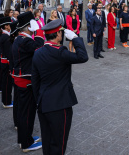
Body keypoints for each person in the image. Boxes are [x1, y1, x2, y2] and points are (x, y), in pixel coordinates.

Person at [32, 19, 89, 155]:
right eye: (61, 33)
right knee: (59, 143)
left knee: (47, 141)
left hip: (43, 104)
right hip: (60, 105)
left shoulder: (38, 52)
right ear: (58, 34)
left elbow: (35, 81)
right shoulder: (60, 52)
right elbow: (83, 57)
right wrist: (75, 38)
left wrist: (38, 100)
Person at [11, 12, 45, 152]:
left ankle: (24, 139)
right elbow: (39, 45)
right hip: (26, 81)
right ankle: (26, 143)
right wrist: (37, 31)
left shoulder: (21, 39)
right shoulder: (25, 40)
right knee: (27, 113)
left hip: (21, 80)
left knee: (23, 112)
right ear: (28, 26)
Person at [0, 17, 14, 108]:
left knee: (6, 82)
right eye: (9, 25)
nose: (10, 26)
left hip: (4, 62)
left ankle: (6, 100)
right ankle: (7, 102)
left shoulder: (4, 35)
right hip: (6, 63)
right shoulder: (5, 37)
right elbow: (9, 54)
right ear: (6, 26)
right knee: (7, 83)